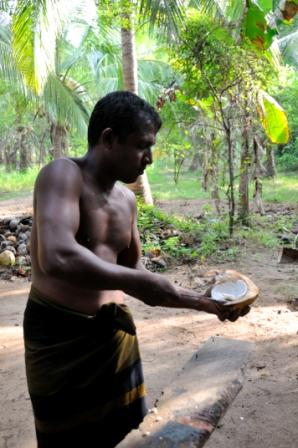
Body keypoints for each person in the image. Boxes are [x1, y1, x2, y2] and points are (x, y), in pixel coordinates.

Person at [23, 91, 249, 448]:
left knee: (125, 432)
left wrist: (205, 303)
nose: (150, 158)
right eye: (143, 145)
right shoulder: (63, 175)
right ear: (109, 139)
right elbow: (57, 256)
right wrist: (141, 278)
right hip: (59, 338)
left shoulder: (127, 200)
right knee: (66, 437)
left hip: (115, 341)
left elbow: (138, 278)